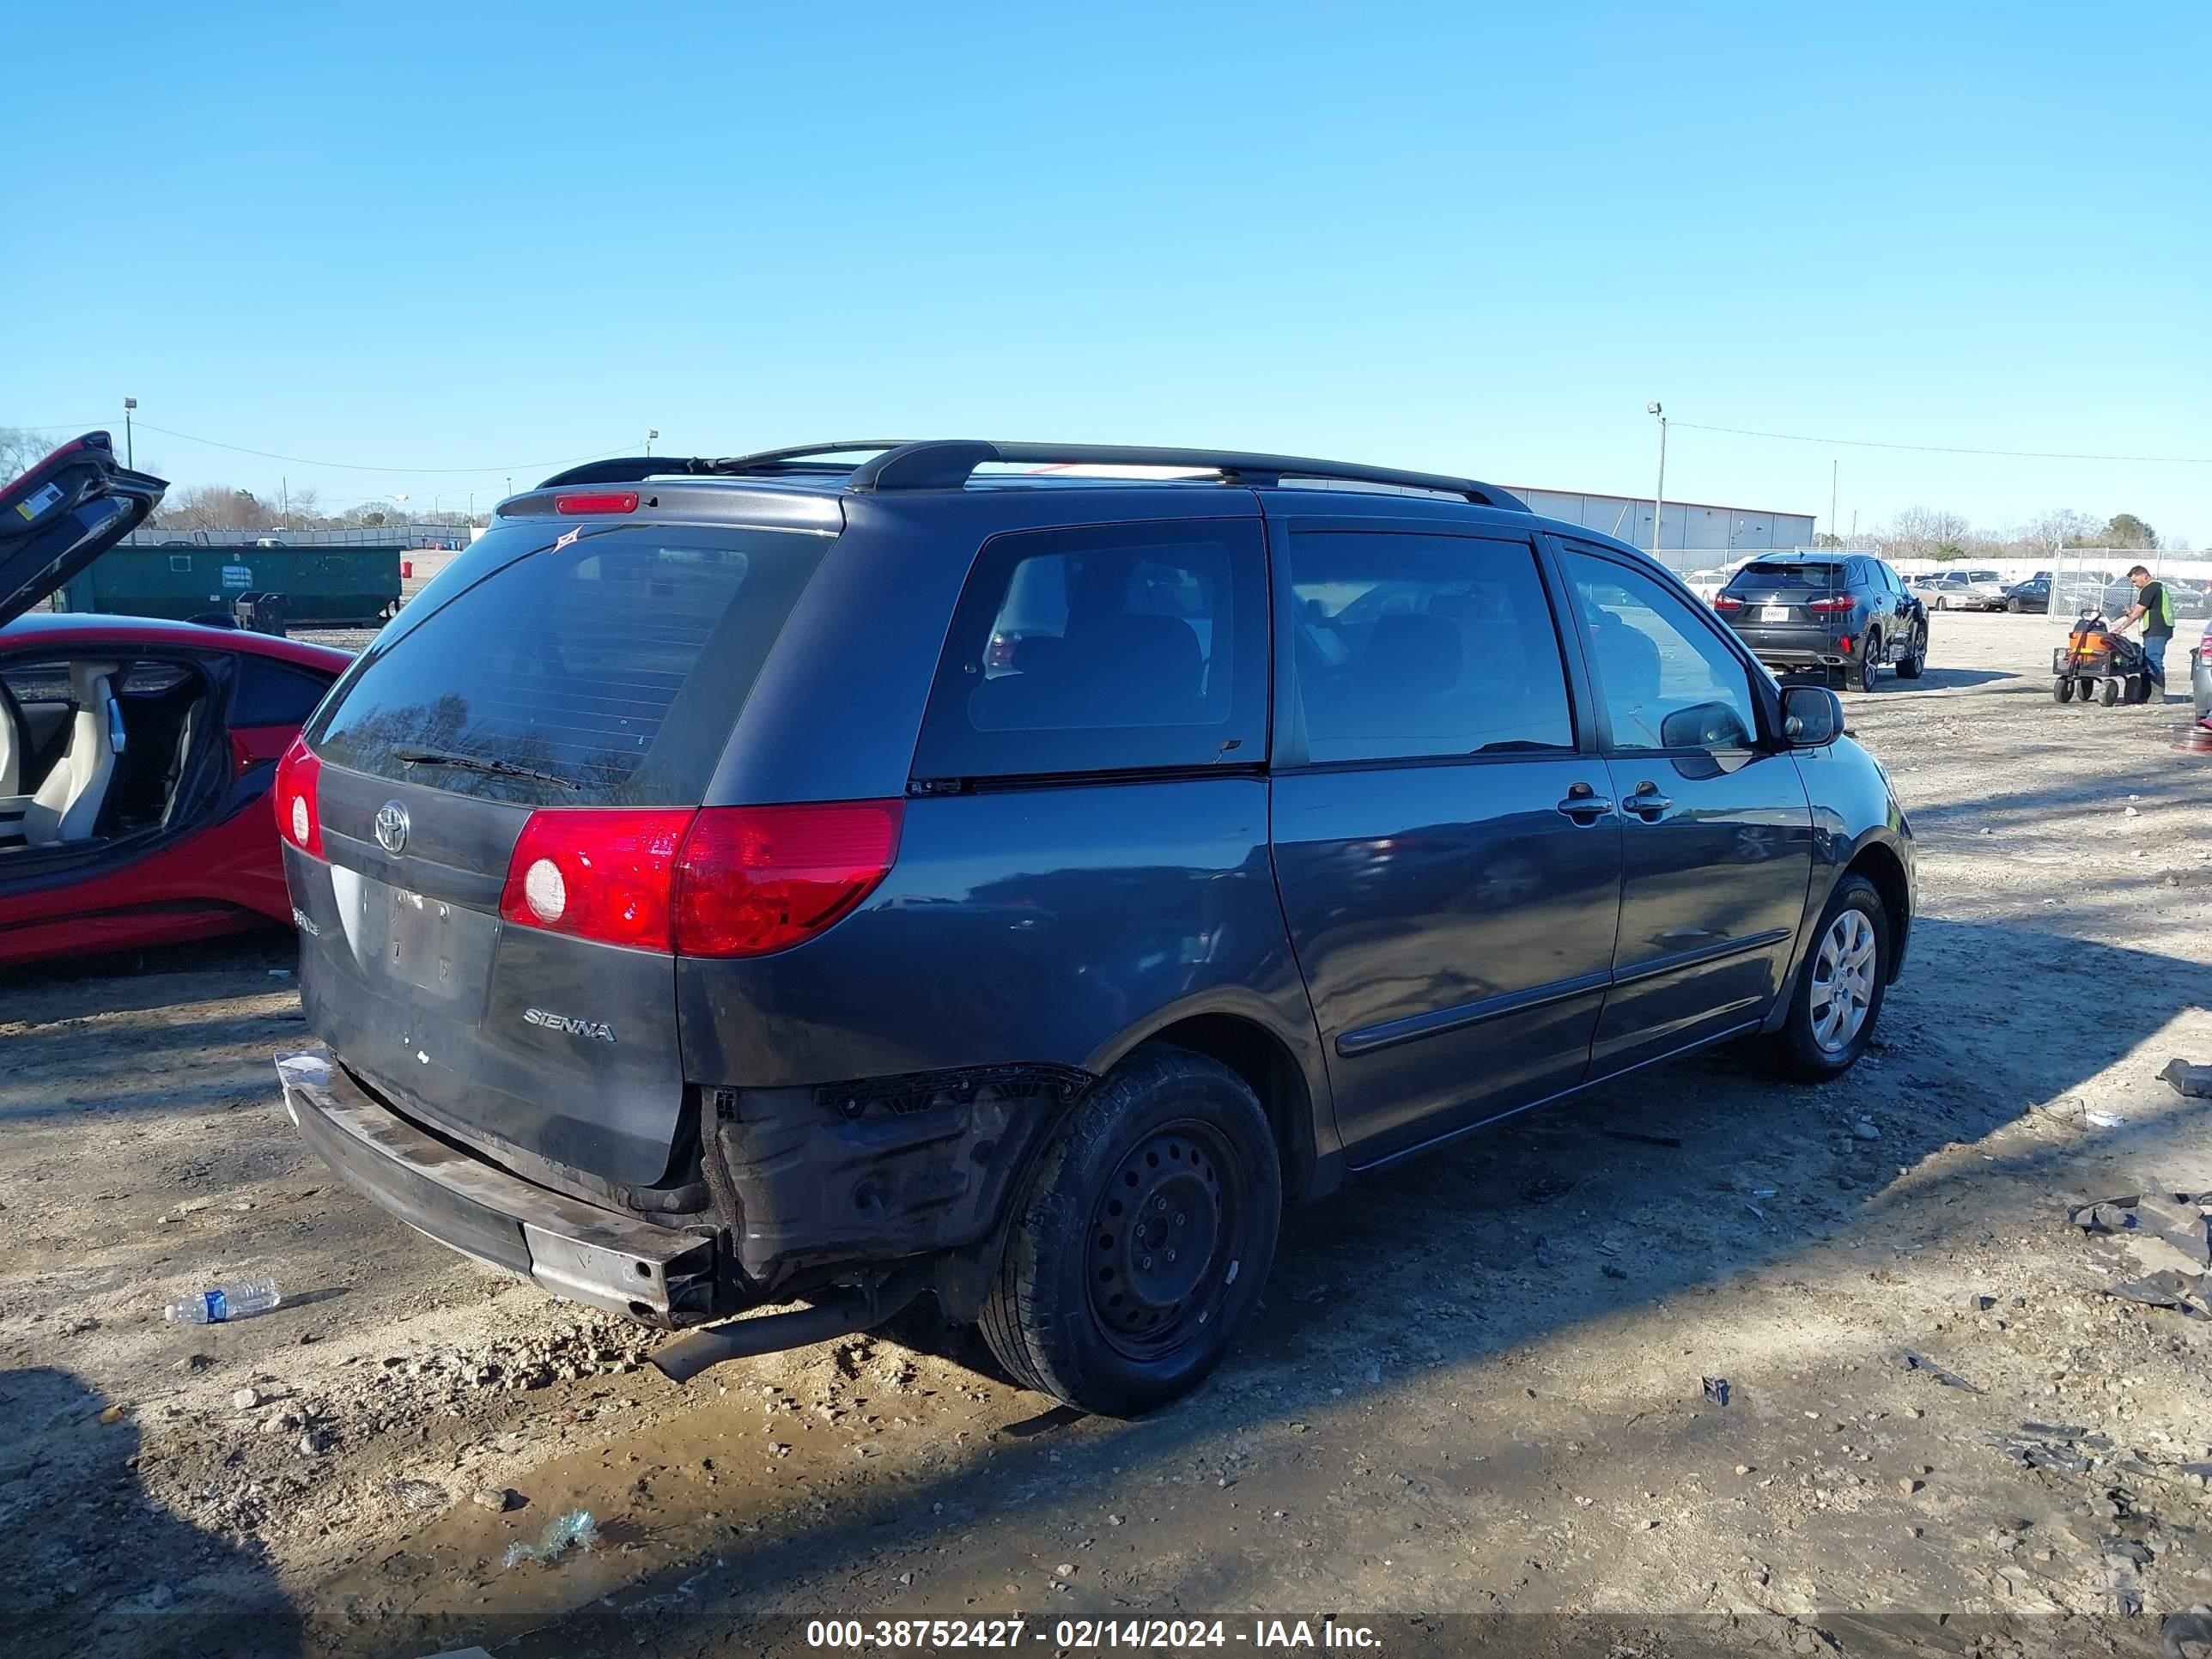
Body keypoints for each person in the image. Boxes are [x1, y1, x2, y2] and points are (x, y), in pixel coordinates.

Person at [2113, 563, 2175, 688]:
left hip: (2156, 629)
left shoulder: (2151, 587)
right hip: (2160, 628)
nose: (2134, 584)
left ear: (2144, 576)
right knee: (2145, 659)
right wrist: (2128, 613)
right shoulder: (2158, 586)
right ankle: (2146, 693)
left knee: (2153, 661)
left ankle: (2156, 695)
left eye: (2135, 581)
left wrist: (2119, 629)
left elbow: (2137, 612)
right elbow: (2148, 609)